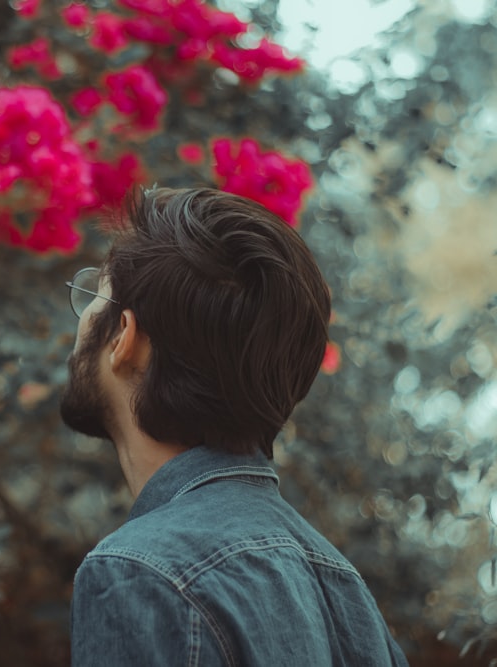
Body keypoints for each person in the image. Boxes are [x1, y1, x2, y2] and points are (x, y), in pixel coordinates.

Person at [61, 187, 408, 666]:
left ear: (124, 337)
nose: (79, 329)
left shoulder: (140, 571)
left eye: (92, 299)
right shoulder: (345, 589)